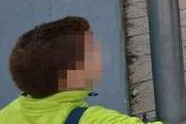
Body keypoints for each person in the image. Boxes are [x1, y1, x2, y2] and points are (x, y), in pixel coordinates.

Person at [0, 16, 161, 123]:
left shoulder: (6, 114)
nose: (100, 52)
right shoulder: (97, 120)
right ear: (74, 75)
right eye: (91, 51)